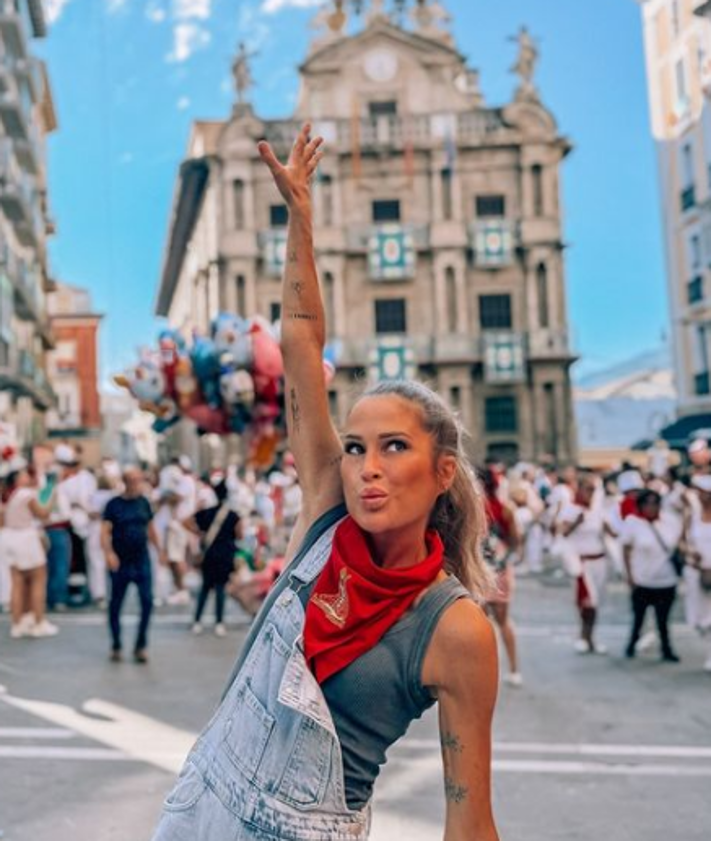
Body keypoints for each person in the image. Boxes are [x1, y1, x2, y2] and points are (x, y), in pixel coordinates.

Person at [151, 124, 500, 841]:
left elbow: (467, 813)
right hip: (195, 812)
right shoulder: (325, 519)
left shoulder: (455, 626)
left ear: (442, 472)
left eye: (393, 446)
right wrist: (298, 221)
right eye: (353, 446)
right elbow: (302, 333)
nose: (365, 465)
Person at [102, 466, 164, 663]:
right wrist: (109, 554)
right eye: (134, 480)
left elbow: (151, 528)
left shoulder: (144, 503)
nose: (138, 484)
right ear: (126, 482)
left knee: (147, 601)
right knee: (116, 603)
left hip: (141, 559)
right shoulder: (113, 504)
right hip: (121, 560)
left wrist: (160, 550)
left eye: (140, 480)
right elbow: (104, 532)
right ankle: (116, 644)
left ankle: (141, 645)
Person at [622, 489, 683, 663]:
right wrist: (630, 575)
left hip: (666, 579)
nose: (651, 507)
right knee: (638, 618)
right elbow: (626, 549)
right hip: (642, 579)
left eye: (654, 503)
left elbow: (680, 541)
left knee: (663, 620)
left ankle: (666, 649)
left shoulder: (669, 522)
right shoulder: (633, 523)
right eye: (647, 503)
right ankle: (631, 645)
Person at [558, 475, 616, 654]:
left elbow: (612, 533)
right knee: (587, 603)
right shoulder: (571, 509)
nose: (591, 493)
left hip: (600, 561)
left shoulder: (599, 511)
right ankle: (584, 636)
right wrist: (577, 522)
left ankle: (590, 638)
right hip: (582, 563)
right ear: (580, 490)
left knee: (596, 603)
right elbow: (563, 532)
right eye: (588, 488)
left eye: (594, 489)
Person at [2, 467, 58, 638]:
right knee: (38, 580)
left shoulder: (10, 496)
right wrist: (53, 496)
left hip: (11, 539)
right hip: (26, 539)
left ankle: (18, 623)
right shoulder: (26, 494)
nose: (27, 476)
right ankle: (39, 622)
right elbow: (43, 513)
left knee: (17, 583)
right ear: (18, 480)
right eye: (24, 475)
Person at [480, 467, 523, 686]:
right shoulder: (506, 509)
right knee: (503, 620)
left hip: (478, 571)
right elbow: (516, 541)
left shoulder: (470, 509)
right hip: (498, 569)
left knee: (479, 623)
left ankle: (482, 673)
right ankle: (513, 670)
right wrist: (503, 558)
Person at [184, 479, 242, 637]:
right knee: (220, 589)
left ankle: (197, 621)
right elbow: (240, 534)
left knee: (205, 588)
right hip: (225, 555)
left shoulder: (206, 513)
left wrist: (199, 533)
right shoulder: (233, 515)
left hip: (209, 554)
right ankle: (219, 622)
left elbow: (186, 521)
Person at [682, 475, 711, 671]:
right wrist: (691, 553)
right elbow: (681, 542)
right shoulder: (691, 515)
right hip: (696, 572)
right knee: (699, 619)